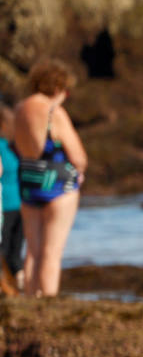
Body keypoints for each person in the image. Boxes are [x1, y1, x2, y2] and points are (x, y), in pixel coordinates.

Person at [14, 60, 86, 298]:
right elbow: (77, 155)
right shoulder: (54, 111)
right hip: (57, 184)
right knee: (51, 252)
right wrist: (81, 170)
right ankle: (48, 303)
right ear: (58, 87)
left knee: (32, 251)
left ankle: (31, 302)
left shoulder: (20, 109)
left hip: (28, 182)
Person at [0, 105, 22, 296]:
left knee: (15, 251)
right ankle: (5, 287)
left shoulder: (12, 146)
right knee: (3, 248)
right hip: (4, 206)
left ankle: (16, 286)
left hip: (20, 205)